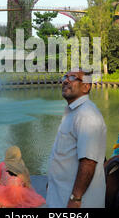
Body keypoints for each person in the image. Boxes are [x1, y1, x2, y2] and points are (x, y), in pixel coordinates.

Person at [46, 69, 107, 208]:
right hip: (61, 196)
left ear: (86, 86)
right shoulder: (73, 112)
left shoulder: (87, 115)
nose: (66, 80)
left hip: (77, 202)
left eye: (73, 77)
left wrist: (76, 197)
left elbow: (88, 161)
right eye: (65, 77)